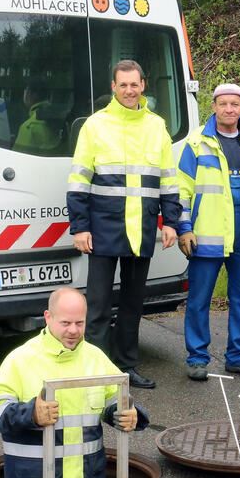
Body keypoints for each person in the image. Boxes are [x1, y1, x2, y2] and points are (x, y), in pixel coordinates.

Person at [66, 59, 179, 390]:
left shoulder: (157, 126)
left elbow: (168, 180)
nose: (129, 91)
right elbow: (79, 181)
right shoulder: (95, 125)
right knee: (99, 305)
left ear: (143, 85)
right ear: (113, 87)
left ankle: (127, 367)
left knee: (132, 304)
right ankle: (97, 373)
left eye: (134, 84)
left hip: (141, 227)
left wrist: (171, 222)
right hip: (103, 226)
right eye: (123, 85)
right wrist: (80, 227)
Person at [0, 287, 149, 478]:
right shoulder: (21, 359)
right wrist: (31, 414)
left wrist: (127, 413)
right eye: (66, 323)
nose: (73, 330)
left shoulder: (95, 357)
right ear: (48, 317)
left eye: (79, 323)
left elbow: (116, 398)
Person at [176, 83, 240, 381]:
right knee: (199, 299)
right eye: (223, 104)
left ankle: (239, 356)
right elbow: (182, 189)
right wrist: (184, 227)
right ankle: (197, 358)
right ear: (214, 107)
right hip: (207, 233)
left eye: (235, 104)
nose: (229, 109)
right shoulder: (197, 143)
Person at [13, 80, 62, 155]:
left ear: (31, 95)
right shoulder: (60, 119)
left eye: (26, 91)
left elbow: (17, 156)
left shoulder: (29, 126)